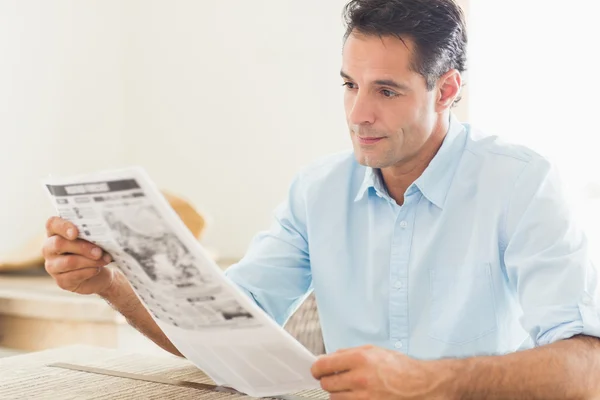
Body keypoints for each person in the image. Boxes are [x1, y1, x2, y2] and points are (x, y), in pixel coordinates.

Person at [43, 0, 600, 398]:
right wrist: (111, 286)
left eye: (386, 90)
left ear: (447, 89)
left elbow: (587, 368)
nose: (358, 114)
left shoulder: (522, 183)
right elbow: (220, 338)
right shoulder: (317, 192)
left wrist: (423, 382)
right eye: (349, 85)